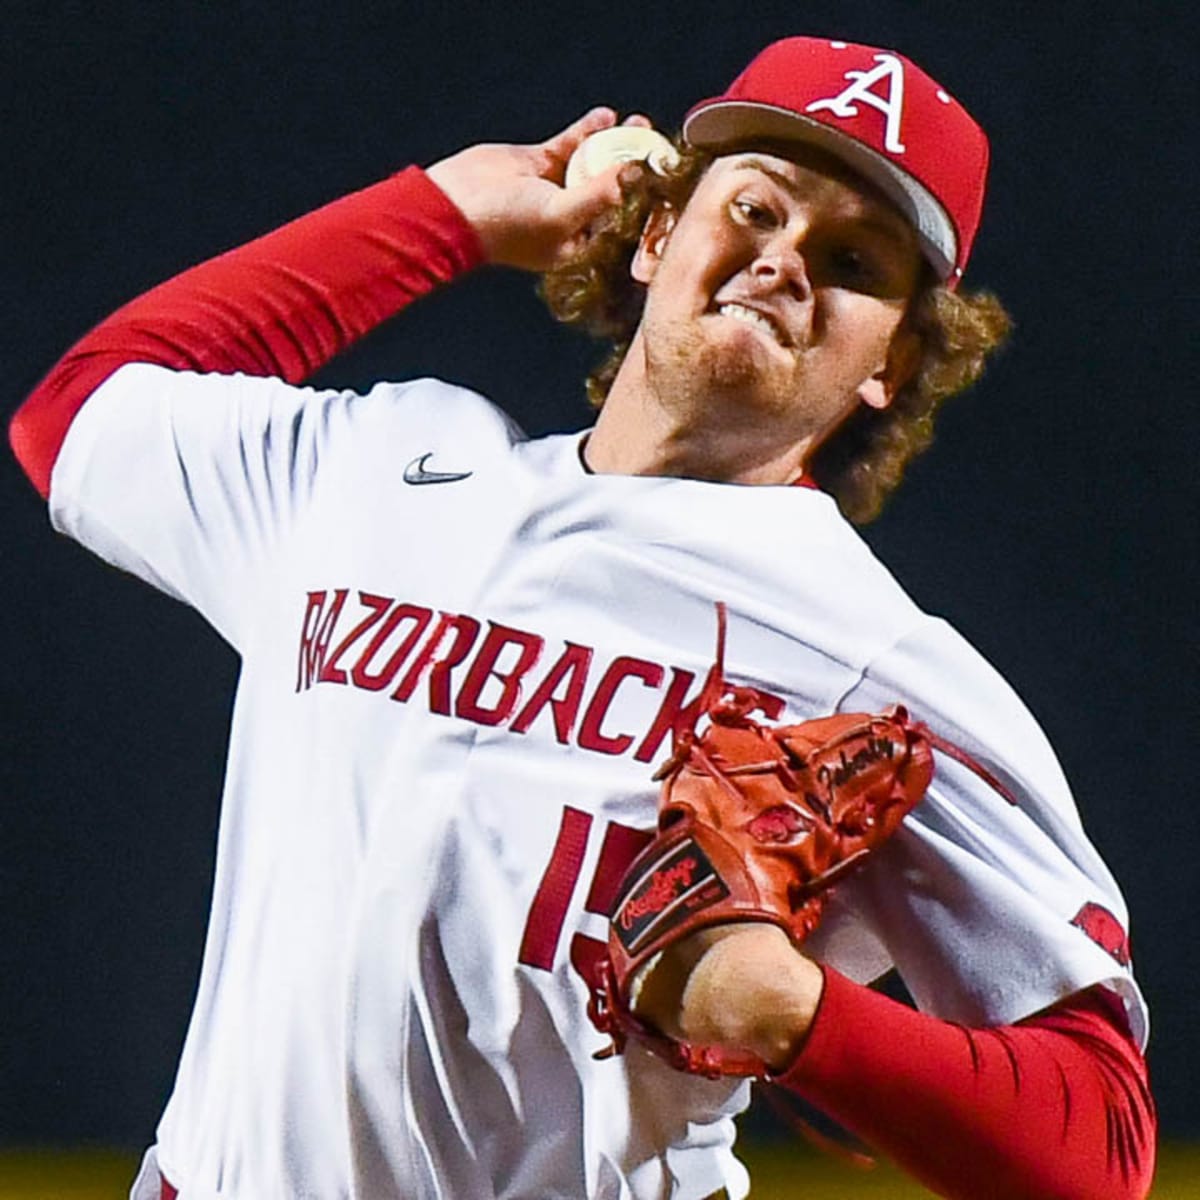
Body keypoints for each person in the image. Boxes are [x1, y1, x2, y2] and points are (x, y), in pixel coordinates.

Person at [11, 35, 1155, 1200]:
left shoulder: (880, 664)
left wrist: (800, 1018)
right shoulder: (379, 467)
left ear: (892, 366)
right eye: (755, 208)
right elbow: (78, 416)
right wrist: (444, 215)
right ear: (658, 234)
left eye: (853, 260)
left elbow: (1100, 1148)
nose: (783, 261)